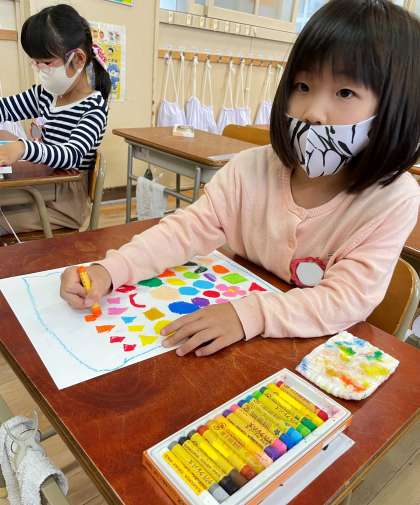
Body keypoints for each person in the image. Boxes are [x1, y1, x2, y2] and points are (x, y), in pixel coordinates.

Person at [60, 0, 419, 357]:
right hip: (244, 350)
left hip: (310, 359)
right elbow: (185, 230)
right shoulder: (250, 167)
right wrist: (110, 270)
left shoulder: (393, 198)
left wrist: (247, 314)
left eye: (345, 93)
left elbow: (344, 300)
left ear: (396, 106)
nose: (313, 113)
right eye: (302, 86)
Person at [0, 4, 110, 233]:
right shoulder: (46, 94)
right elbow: (5, 108)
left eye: (46, 63)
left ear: (78, 58)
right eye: (36, 62)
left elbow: (71, 155)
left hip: (65, 200)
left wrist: (23, 148)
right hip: (44, 184)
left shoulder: (94, 107)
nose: (39, 69)